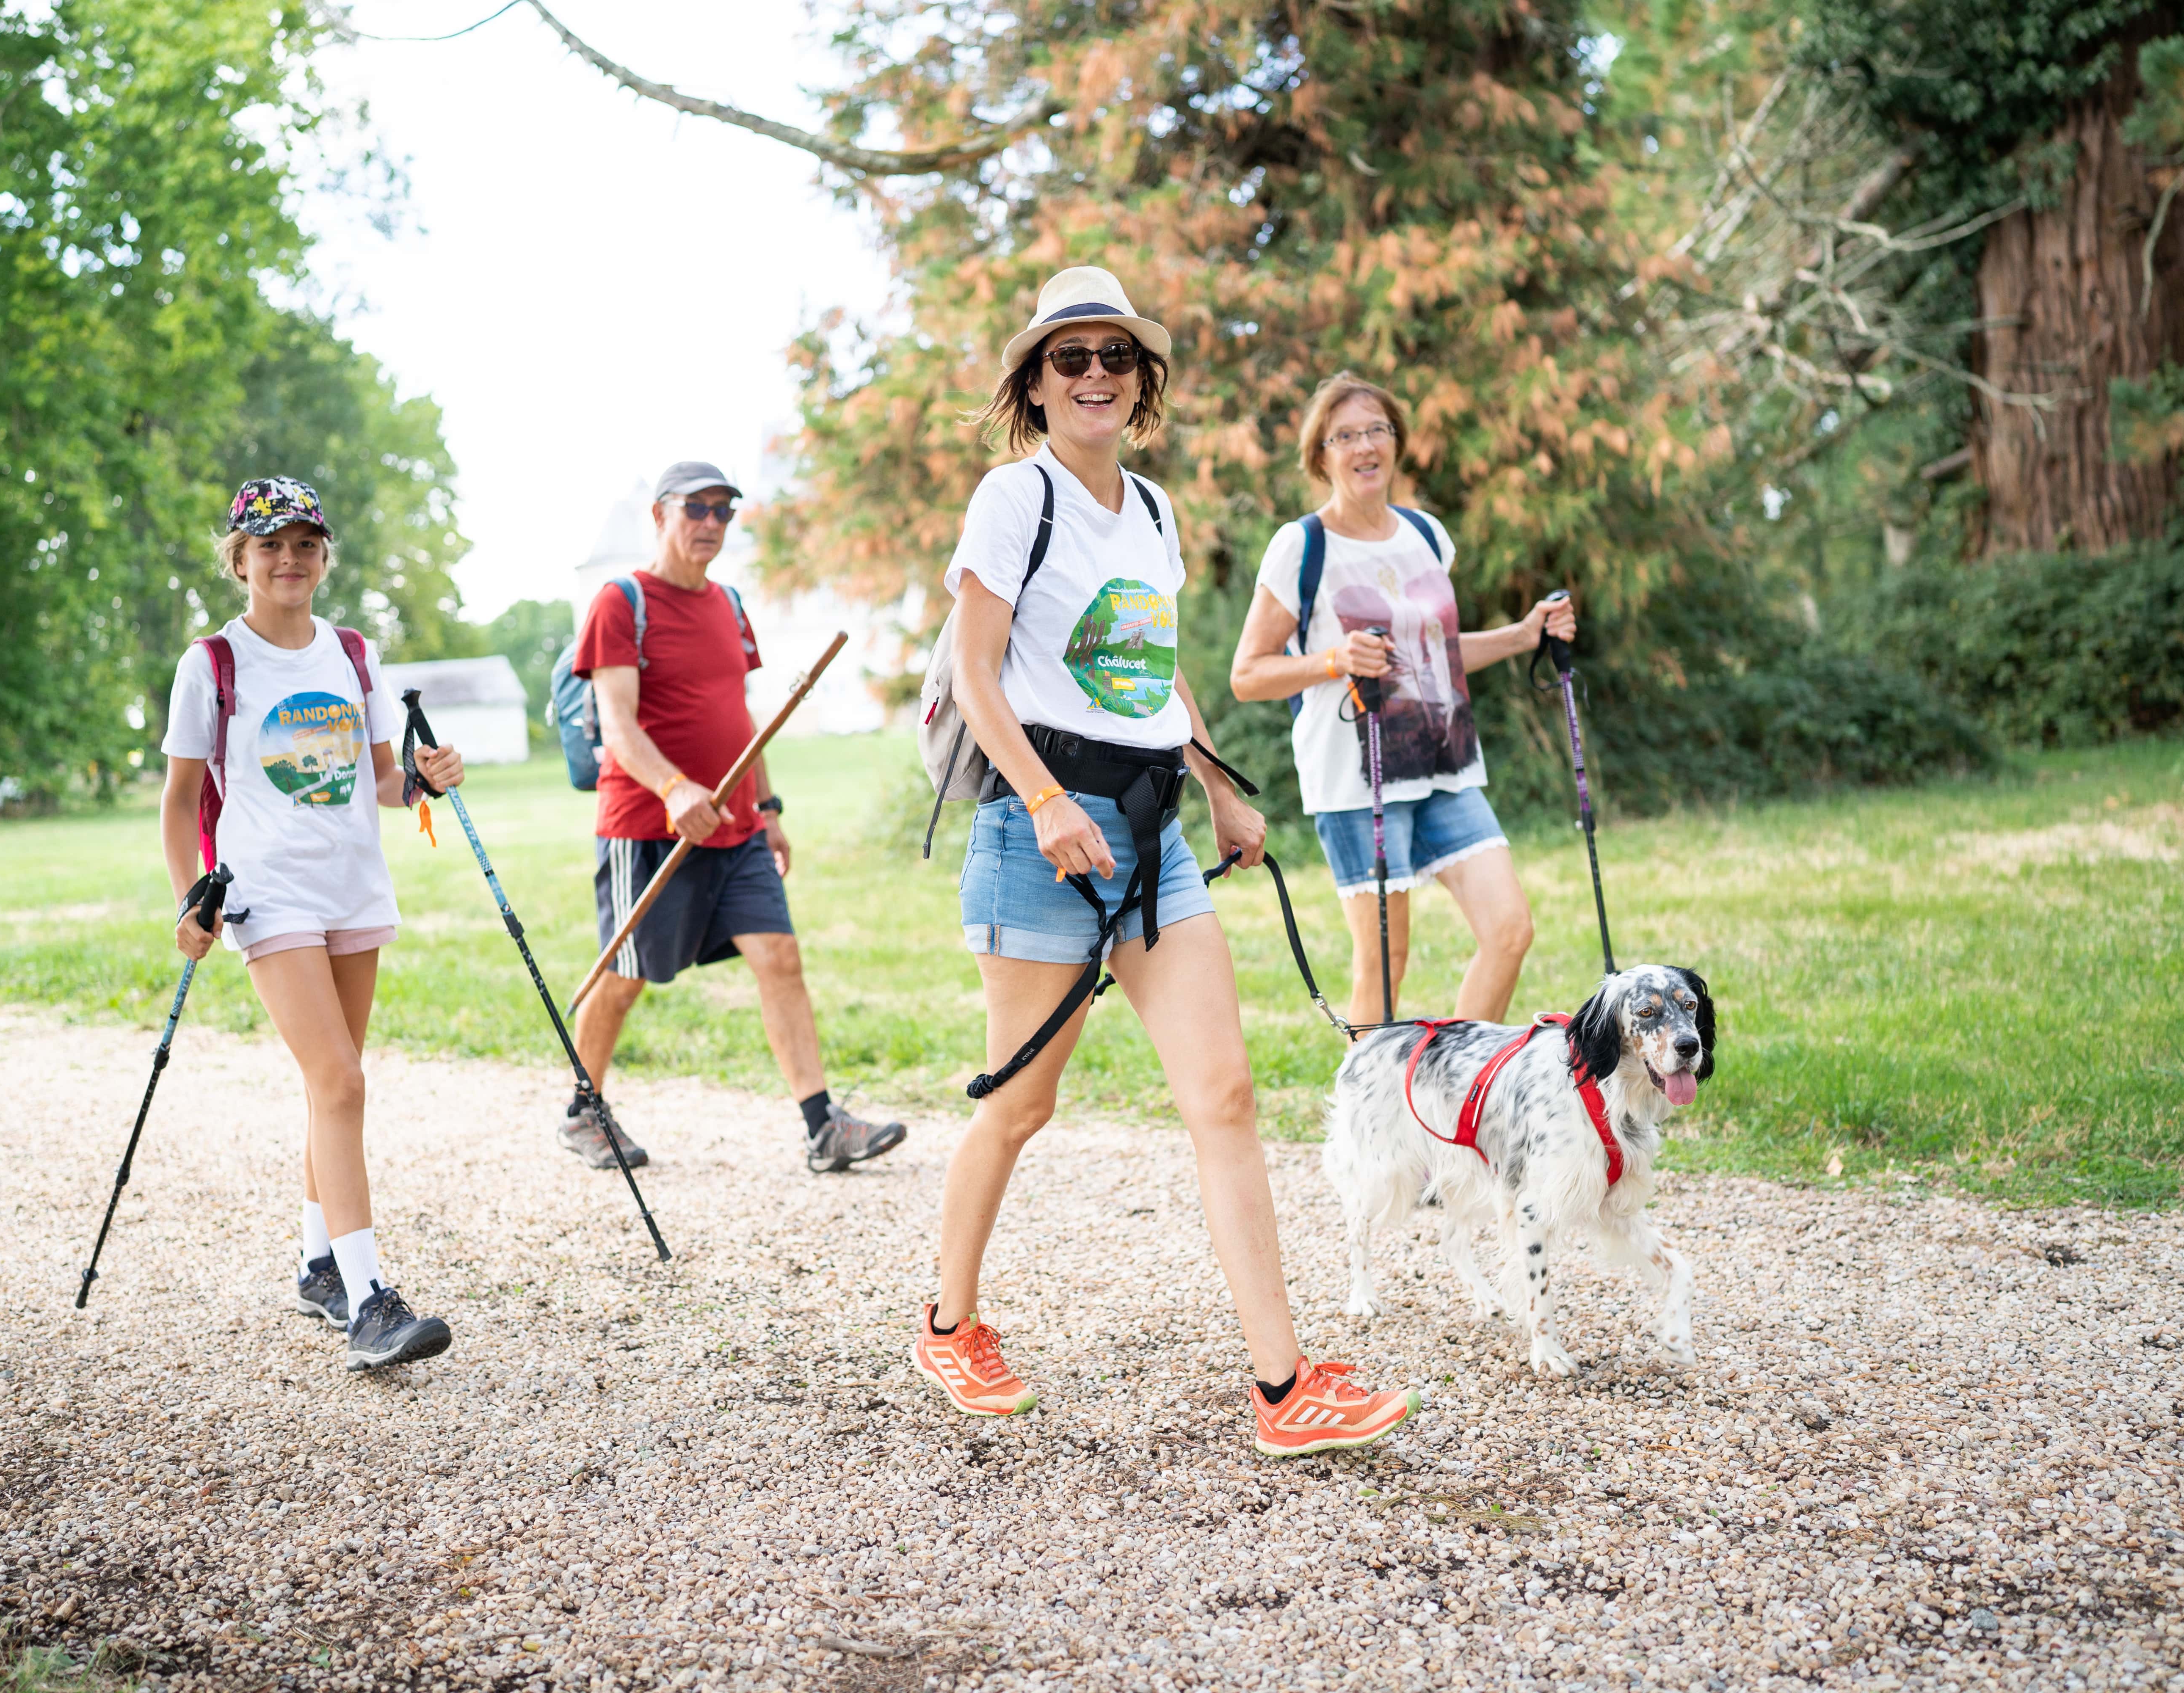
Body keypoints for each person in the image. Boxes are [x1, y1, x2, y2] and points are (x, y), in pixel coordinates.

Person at [913, 267, 1419, 1457]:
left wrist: (1217, 783)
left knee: (1225, 1095)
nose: (1095, 375)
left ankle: (1284, 1390)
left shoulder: (1149, 511)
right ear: (1034, 384)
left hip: (1154, 839)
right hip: (1040, 831)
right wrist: (1041, 802)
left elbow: (1152, 673)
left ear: (1141, 381)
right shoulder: (1012, 497)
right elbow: (979, 677)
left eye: (1116, 357)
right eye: (1069, 358)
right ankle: (948, 1321)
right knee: (1022, 1102)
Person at [159, 477, 461, 1371]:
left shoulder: (353, 653)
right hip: (269, 891)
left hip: (352, 886)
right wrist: (190, 898)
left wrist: (429, 776)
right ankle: (370, 1301)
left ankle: (318, 1262)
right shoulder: (212, 662)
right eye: (268, 545)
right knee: (339, 1079)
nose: (288, 558)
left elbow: (379, 780)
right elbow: (180, 803)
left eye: (304, 543)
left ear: (325, 555)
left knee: (336, 1082)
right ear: (240, 561)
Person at [555, 460, 907, 1176]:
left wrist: (768, 807)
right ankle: (582, 1111)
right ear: (660, 515)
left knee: (780, 956)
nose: (712, 523)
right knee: (626, 976)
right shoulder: (620, 602)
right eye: (698, 508)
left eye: (724, 511)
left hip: (736, 824)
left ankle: (823, 1126)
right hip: (647, 825)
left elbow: (745, 719)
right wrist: (675, 788)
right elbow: (618, 724)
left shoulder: (731, 605)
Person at [1227, 372, 1577, 1023]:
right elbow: (1247, 675)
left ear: (1397, 443)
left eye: (1377, 431)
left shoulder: (1426, 534)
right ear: (1321, 454)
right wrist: (1335, 659)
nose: (1365, 447)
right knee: (1383, 968)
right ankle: (1368, 1122)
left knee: (1509, 931)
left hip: (1446, 764)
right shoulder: (1302, 546)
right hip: (1359, 783)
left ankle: (1458, 1091)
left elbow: (1435, 656)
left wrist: (1523, 634)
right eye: (1346, 435)